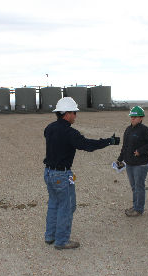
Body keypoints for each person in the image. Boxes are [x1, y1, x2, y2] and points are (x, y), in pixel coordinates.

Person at [43, 97, 120, 250]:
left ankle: (50, 236)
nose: (76, 115)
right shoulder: (69, 132)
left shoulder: (49, 128)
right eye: (74, 113)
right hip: (61, 175)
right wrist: (109, 141)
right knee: (66, 207)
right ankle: (62, 241)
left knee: (53, 204)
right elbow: (87, 145)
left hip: (49, 173)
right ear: (66, 114)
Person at [116, 106, 148, 217]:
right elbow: (125, 146)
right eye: (132, 117)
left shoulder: (144, 130)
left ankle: (139, 209)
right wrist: (120, 159)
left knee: (139, 187)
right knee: (134, 187)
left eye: (135, 117)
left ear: (141, 118)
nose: (133, 119)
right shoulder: (128, 129)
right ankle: (135, 206)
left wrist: (141, 151)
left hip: (140, 164)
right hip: (129, 164)